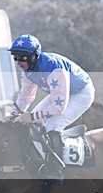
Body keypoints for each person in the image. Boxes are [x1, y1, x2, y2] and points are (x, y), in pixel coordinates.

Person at [8, 34, 95, 182]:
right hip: (62, 93)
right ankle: (39, 159)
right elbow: (25, 97)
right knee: (34, 121)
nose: (18, 62)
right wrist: (14, 114)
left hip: (82, 93)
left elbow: (58, 108)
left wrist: (30, 116)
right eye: (15, 57)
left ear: (34, 56)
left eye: (21, 58)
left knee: (54, 124)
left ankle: (56, 168)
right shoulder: (27, 70)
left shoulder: (54, 69)